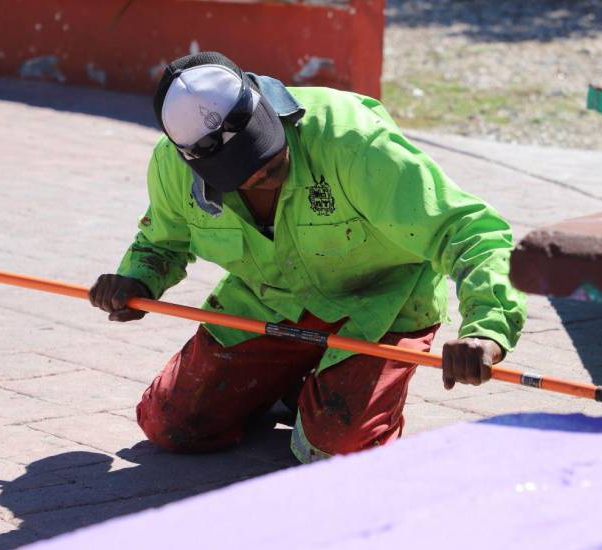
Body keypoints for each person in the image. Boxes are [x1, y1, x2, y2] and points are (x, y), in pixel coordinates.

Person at [89, 51, 526, 463]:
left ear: (266, 107)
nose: (261, 172)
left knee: (336, 451)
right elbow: (161, 242)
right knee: (171, 425)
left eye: (264, 149)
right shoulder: (171, 166)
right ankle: (294, 385)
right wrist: (136, 280)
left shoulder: (350, 138)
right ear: (196, 164)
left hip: (382, 306)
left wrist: (486, 329)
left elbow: (469, 231)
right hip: (268, 303)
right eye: (241, 173)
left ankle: (321, 395)